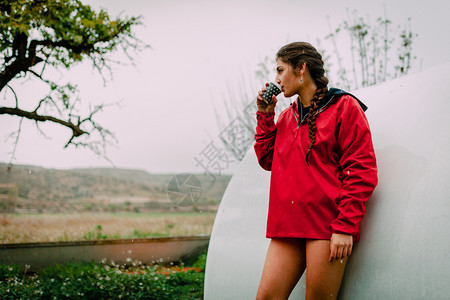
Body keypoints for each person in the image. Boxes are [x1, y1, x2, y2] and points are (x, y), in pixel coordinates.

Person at [254, 42, 378, 300]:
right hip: (287, 224)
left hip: (326, 226)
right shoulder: (288, 116)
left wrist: (345, 226)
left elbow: (361, 171)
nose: (276, 79)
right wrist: (265, 115)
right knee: (266, 297)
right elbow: (268, 160)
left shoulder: (344, 107)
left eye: (280, 70)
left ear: (301, 69)